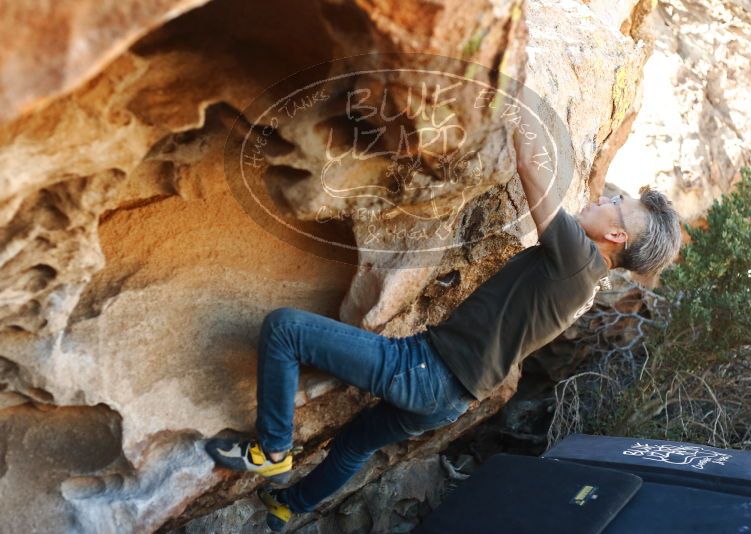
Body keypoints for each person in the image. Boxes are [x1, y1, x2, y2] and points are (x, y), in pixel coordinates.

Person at [205, 110, 683, 531]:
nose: (603, 199)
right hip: (450, 399)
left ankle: (272, 451)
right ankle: (288, 507)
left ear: (616, 234)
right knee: (353, 446)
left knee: (286, 330)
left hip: (428, 372)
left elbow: (531, 173)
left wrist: (514, 112)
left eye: (614, 204)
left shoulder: (578, 259)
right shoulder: (584, 280)